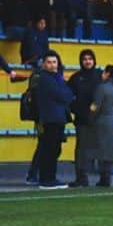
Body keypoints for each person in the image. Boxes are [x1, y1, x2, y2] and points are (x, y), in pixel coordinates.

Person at [32, 51, 75, 189]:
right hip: (50, 118)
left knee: (54, 149)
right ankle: (46, 179)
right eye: (49, 62)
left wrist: (67, 94)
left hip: (57, 117)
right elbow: (63, 95)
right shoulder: (45, 78)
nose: (52, 65)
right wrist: (68, 95)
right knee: (49, 149)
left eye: (54, 62)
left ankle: (50, 177)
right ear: (44, 64)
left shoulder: (56, 77)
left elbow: (65, 93)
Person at [66, 49, 103, 187]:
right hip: (82, 119)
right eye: (84, 59)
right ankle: (81, 177)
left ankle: (104, 178)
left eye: (90, 59)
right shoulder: (75, 78)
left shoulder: (100, 76)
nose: (87, 61)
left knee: (101, 148)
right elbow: (67, 97)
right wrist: (77, 110)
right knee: (81, 149)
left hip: (99, 119)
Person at [89, 65, 113, 186]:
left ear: (107, 74)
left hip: (101, 121)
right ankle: (106, 177)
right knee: (109, 150)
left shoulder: (101, 88)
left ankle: (103, 177)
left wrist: (90, 117)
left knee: (100, 149)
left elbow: (95, 107)